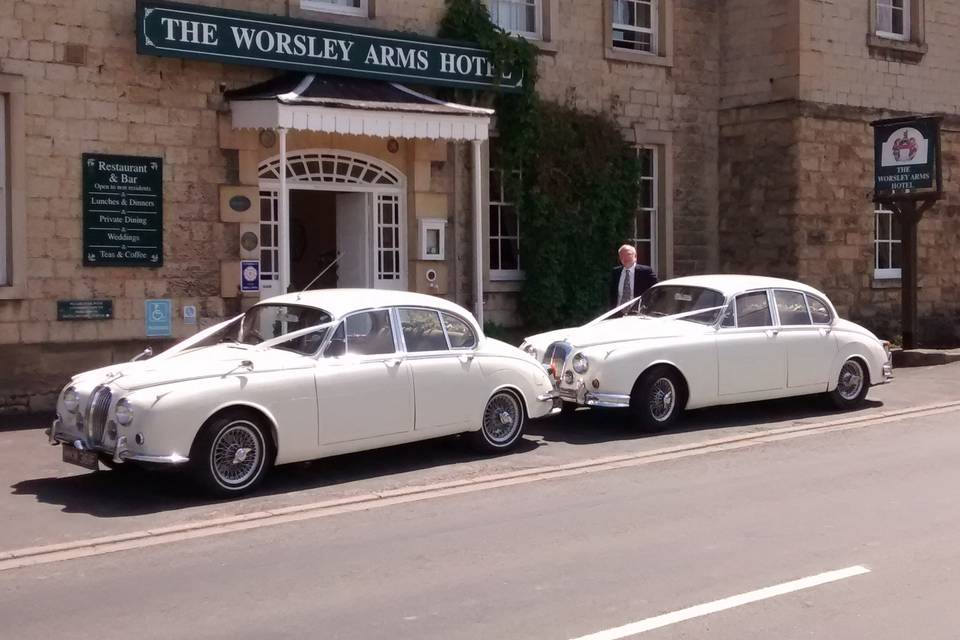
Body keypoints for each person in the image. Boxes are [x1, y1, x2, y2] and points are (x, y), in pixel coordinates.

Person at [609, 244, 658, 310]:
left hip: (638, 312)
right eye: (622, 255)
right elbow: (612, 294)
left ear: (635, 256)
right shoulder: (616, 272)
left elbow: (656, 290)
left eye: (628, 254)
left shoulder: (645, 272)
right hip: (617, 312)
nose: (625, 257)